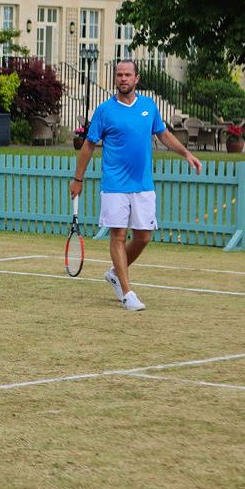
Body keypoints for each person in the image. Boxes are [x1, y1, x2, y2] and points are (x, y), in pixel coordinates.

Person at [69, 59, 201, 311]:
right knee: (117, 236)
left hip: (143, 185)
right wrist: (78, 179)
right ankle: (127, 293)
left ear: (136, 78)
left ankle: (115, 273)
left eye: (127, 74)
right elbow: (88, 146)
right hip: (115, 185)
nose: (123, 79)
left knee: (143, 237)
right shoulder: (104, 111)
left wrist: (186, 154)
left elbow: (163, 134)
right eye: (119, 75)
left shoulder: (148, 107)